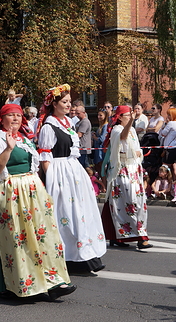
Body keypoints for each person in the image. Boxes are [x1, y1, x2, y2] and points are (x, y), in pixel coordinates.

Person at [0, 103, 76, 300]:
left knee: (43, 236)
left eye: (18, 115)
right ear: (2, 119)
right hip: (10, 192)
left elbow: (34, 167)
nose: (15, 118)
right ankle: (20, 283)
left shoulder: (25, 139)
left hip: (32, 192)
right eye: (11, 115)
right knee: (18, 239)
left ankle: (53, 281)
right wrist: (8, 149)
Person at [38, 84, 106, 273]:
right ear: (54, 104)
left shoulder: (67, 123)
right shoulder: (49, 127)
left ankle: (85, 255)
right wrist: (52, 182)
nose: (69, 105)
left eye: (69, 102)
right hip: (60, 173)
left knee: (81, 212)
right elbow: (45, 158)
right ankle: (70, 258)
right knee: (68, 214)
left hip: (73, 171)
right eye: (65, 102)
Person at [102, 105, 152, 249]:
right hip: (122, 170)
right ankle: (122, 236)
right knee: (126, 203)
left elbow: (136, 147)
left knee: (139, 202)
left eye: (130, 116)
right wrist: (132, 121)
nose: (130, 118)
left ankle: (140, 236)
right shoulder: (116, 130)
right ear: (119, 117)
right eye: (127, 116)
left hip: (134, 169)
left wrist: (138, 154)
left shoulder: (133, 131)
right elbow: (122, 137)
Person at [159, 107, 176, 181]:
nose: (167, 117)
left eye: (169, 115)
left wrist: (164, 125)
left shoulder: (170, 123)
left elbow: (163, 133)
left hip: (169, 148)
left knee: (165, 168)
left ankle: (165, 184)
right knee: (174, 168)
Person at [92, 109, 108, 173]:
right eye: (98, 115)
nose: (99, 117)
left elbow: (102, 139)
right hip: (98, 151)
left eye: (100, 115)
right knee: (98, 168)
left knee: (102, 169)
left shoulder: (105, 126)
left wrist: (94, 137)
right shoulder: (101, 126)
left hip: (101, 151)